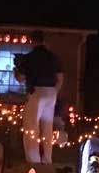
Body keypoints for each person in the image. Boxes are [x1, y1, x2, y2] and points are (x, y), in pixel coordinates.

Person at [16, 30, 63, 165]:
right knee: (47, 127)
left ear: (32, 41)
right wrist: (54, 92)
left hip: (36, 92)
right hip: (51, 92)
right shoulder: (54, 57)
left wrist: (16, 70)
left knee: (32, 126)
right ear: (44, 40)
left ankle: (34, 161)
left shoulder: (29, 58)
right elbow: (60, 78)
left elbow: (20, 78)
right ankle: (47, 159)